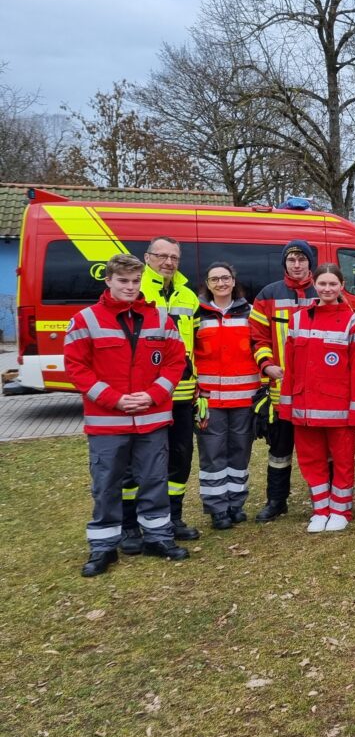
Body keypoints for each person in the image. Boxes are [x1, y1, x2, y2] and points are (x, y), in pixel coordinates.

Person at [66, 253, 189, 577]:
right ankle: (104, 547)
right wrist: (114, 399)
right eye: (123, 281)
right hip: (108, 421)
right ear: (108, 281)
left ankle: (158, 538)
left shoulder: (161, 319)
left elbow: (176, 362)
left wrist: (153, 394)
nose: (130, 287)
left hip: (151, 417)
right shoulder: (85, 320)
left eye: (135, 281)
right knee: (107, 485)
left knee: (154, 480)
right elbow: (76, 368)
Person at [119, 236, 201, 553]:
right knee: (135, 463)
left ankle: (171, 518)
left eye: (174, 257)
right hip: (145, 396)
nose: (168, 262)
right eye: (162, 255)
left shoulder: (189, 296)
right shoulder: (136, 290)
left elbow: (197, 343)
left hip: (181, 394)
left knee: (179, 459)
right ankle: (130, 525)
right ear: (147, 257)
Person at [278, 263, 355, 533]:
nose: (327, 289)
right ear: (314, 285)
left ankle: (341, 509)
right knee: (311, 460)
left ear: (341, 286)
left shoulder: (353, 321)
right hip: (304, 407)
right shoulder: (298, 319)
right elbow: (290, 367)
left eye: (333, 284)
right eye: (322, 284)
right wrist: (288, 406)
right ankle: (320, 508)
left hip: (339, 408)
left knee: (342, 460)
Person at [249, 239, 319, 522]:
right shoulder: (268, 295)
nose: (297, 264)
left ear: (310, 263)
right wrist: (267, 365)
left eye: (302, 259)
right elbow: (257, 336)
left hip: (316, 389)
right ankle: (276, 500)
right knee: (279, 450)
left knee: (319, 448)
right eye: (292, 260)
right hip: (281, 389)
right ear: (284, 264)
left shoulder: (325, 289)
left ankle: (321, 498)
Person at [193, 262, 260, 531]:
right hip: (209, 401)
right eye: (214, 279)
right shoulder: (197, 314)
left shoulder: (251, 314)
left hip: (244, 398)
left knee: (240, 453)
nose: (221, 283)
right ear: (207, 285)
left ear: (234, 281)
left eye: (225, 278)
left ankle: (236, 503)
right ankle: (217, 508)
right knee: (212, 455)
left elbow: (260, 348)